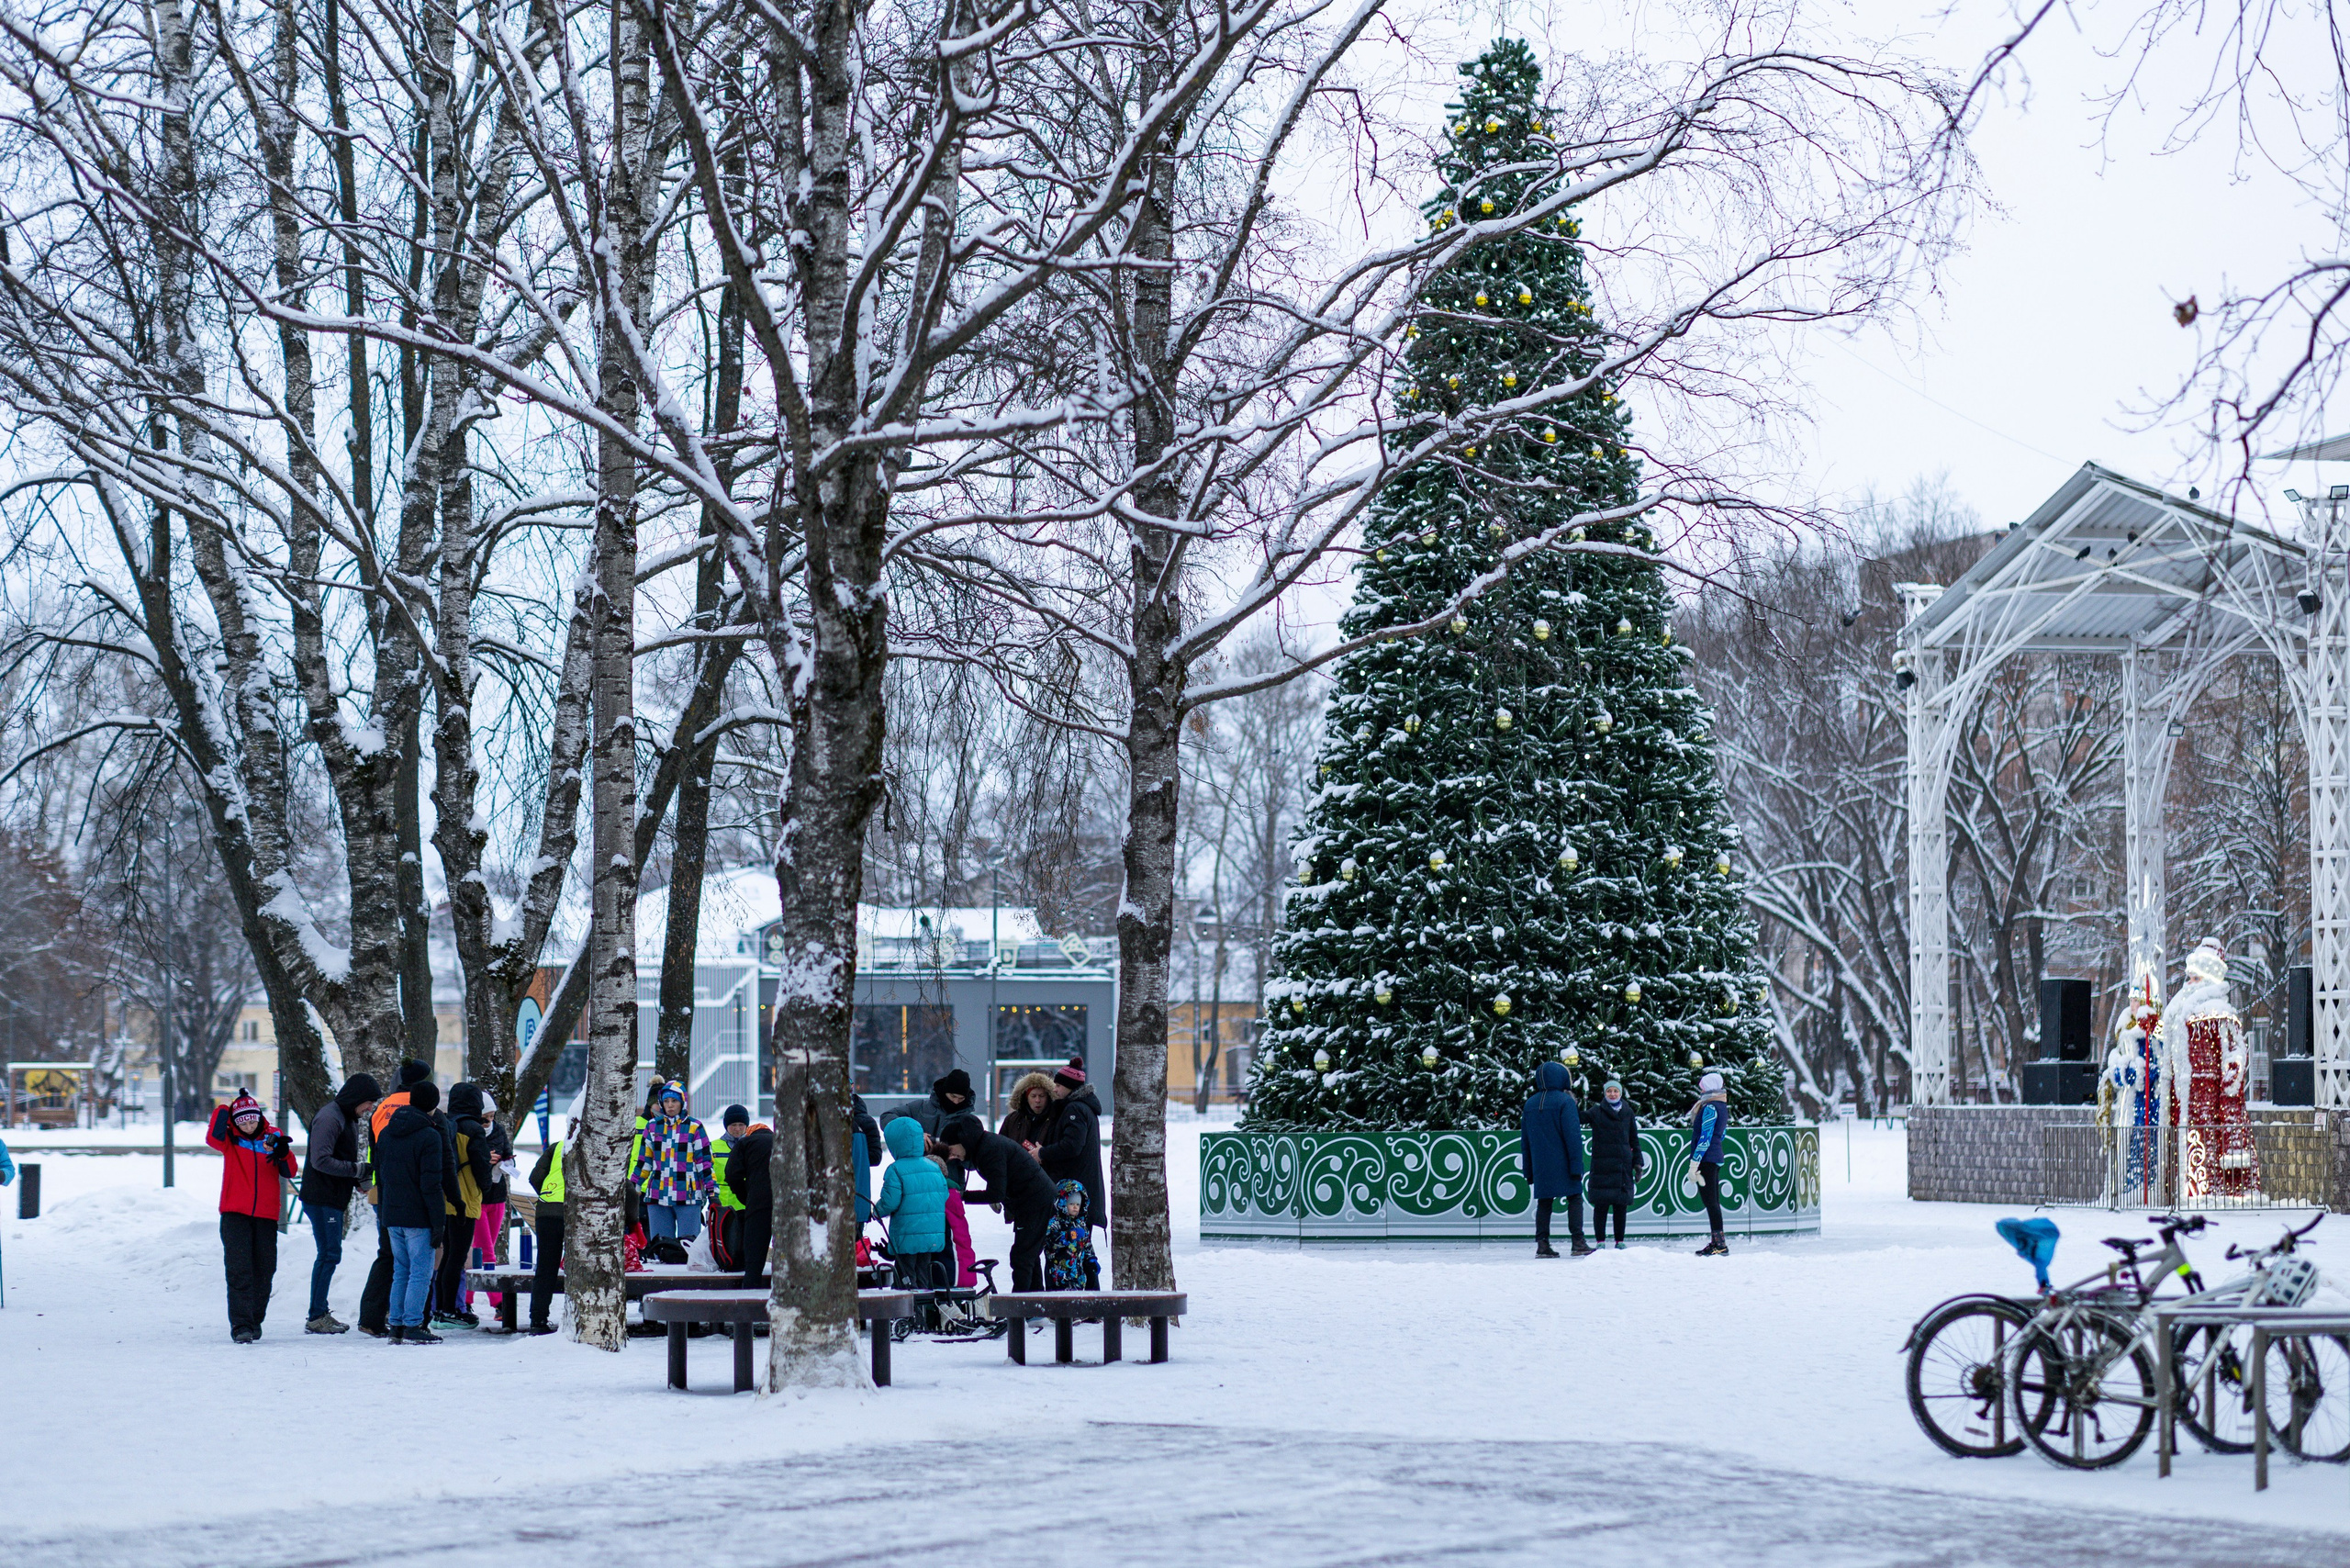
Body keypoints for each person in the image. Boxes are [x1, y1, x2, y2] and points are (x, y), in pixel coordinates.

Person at [207, 1089, 300, 1342]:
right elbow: (212, 1139)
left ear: (259, 1117)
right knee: (239, 1270)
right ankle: (241, 1326)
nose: (247, 1125)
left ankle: (254, 1319)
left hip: (266, 1216)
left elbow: (290, 1171)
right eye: (241, 1121)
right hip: (234, 1214)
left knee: (265, 1268)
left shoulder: (274, 1137)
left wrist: (283, 1153)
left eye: (251, 1119)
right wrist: (225, 1108)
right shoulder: (230, 1141)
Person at [298, 1071, 382, 1333]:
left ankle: (319, 1311)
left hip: (333, 1196)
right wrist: (356, 1170)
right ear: (357, 1098)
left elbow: (339, 1156)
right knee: (329, 1254)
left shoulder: (347, 1117)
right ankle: (316, 1315)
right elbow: (320, 1160)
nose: (370, 1108)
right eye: (369, 1102)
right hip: (321, 1197)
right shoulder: (329, 1117)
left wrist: (355, 1180)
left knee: (330, 1254)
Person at [358, 1059, 435, 1337]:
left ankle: (372, 1315)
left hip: (383, 1190)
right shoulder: (422, 1105)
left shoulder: (382, 1107)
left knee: (388, 1255)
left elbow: (373, 1149)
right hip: (413, 1193)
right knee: (416, 1264)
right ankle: (413, 1320)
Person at [940, 1114, 1056, 1293]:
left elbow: (996, 1193)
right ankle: (1035, 1307)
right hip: (1031, 1201)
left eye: (952, 1148)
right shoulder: (983, 1145)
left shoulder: (989, 1149)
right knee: (1029, 1256)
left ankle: (1019, 1307)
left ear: (963, 1140)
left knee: (1022, 1257)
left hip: (1035, 1201)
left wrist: (963, 1196)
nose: (952, 1154)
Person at [375, 1081, 446, 1344]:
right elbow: (431, 1183)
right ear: (433, 1105)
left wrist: (384, 1212)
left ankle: (395, 1324)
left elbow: (380, 1176)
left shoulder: (386, 1132)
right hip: (419, 1215)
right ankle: (414, 1324)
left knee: (401, 1271)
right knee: (420, 1272)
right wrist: (438, 1221)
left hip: (393, 1212)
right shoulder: (430, 1136)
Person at [432, 1081, 495, 1327]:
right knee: (457, 1257)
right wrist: (487, 1186)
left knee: (446, 1256)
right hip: (465, 1198)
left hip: (444, 1197)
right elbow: (480, 1165)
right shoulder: (473, 1129)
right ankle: (450, 1311)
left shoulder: (445, 1124)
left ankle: (440, 1310)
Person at [1037, 1056, 1104, 1282]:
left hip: (1075, 1190)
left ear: (1069, 1087)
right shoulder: (1083, 1108)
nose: (1054, 1089)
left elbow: (1071, 1146)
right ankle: (1090, 1303)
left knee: (1071, 1250)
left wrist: (1042, 1153)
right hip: (1082, 1189)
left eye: (1058, 1085)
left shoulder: (1075, 1109)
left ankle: (1080, 1302)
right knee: (1082, 1248)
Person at [1519, 1060, 1588, 1259]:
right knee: (1574, 1198)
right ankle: (1578, 1242)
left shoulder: (1530, 1103)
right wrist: (1577, 1165)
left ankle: (1542, 1244)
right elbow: (1572, 1136)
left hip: (1541, 1165)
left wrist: (1528, 1170)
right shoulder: (1565, 1101)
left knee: (1544, 1203)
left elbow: (1525, 1140)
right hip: (1564, 1163)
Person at [634, 1081, 713, 1254]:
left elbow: (704, 1163)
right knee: (661, 1247)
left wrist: (712, 1191)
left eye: (674, 1101)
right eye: (666, 1101)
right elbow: (644, 1161)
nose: (670, 1105)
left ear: (682, 1102)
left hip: (688, 1194)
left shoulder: (694, 1127)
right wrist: (634, 1184)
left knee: (689, 1248)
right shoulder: (652, 1127)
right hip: (657, 1194)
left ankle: (688, 1280)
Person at [874, 1116, 951, 1291]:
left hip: (906, 1235)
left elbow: (890, 1201)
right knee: (923, 1275)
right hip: (930, 1235)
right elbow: (943, 1195)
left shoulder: (896, 1169)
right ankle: (921, 1311)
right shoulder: (933, 1166)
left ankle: (907, 1314)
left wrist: (876, 1211)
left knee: (905, 1278)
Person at [462, 1093, 513, 1317]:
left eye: (492, 1117)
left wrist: (506, 1161)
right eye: (485, 1117)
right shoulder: (468, 1131)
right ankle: (500, 1303)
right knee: (486, 1252)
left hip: (497, 1195)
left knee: (483, 1250)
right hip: (476, 1197)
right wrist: (485, 1159)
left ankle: (466, 1299)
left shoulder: (499, 1130)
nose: (489, 1122)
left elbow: (509, 1153)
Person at [525, 1118, 575, 1335]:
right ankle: (578, 1317)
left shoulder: (557, 1147)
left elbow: (535, 1177)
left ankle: (538, 1320)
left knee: (546, 1267)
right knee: (579, 1266)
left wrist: (548, 1196)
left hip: (547, 1210)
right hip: (576, 1211)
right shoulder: (593, 1147)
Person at [1583, 1077, 1642, 1250]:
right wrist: (1572, 1103)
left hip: (1623, 1165)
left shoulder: (1627, 1112)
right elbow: (1579, 1118)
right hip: (1602, 1166)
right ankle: (1600, 1241)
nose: (1612, 1094)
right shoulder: (1596, 1111)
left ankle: (1619, 1241)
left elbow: (1634, 1139)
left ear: (1620, 1093)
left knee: (1620, 1206)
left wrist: (1638, 1163)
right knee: (1601, 1206)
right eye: (1609, 1091)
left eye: (1615, 1091)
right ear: (1605, 1094)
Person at [722, 1112, 775, 1288]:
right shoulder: (785, 1142)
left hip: (758, 1203)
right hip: (788, 1204)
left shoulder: (746, 1142)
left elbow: (731, 1175)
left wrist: (746, 1197)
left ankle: (750, 1295)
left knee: (754, 1258)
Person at [1689, 1070, 1730, 1257]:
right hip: (1714, 1157)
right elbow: (1722, 1134)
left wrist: (1694, 1162)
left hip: (1707, 1159)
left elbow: (1704, 1137)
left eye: (1703, 1086)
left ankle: (1719, 1243)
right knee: (1713, 1201)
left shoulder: (1710, 1107)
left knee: (1710, 1201)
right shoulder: (1721, 1105)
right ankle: (1717, 1241)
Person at [1044, 1178, 1098, 1291]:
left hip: (1077, 1276)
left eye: (1078, 1204)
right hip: (1057, 1276)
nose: (1075, 1207)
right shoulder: (1055, 1223)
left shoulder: (1081, 1224)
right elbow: (1050, 1242)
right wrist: (1068, 1236)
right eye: (1071, 1204)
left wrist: (1091, 1259)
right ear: (1063, 1203)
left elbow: (1087, 1244)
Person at [998, 1071, 1057, 1151]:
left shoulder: (1056, 1119)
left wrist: (1044, 1154)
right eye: (1033, 1096)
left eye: (1042, 1096)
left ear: (1048, 1097)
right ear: (1026, 1098)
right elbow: (1001, 1147)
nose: (1037, 1100)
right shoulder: (1012, 1120)